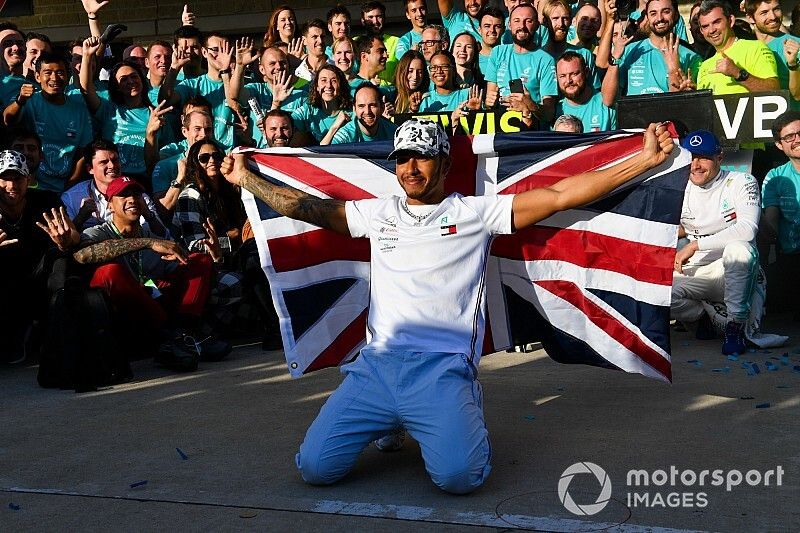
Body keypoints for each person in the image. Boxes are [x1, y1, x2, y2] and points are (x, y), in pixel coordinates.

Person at [218, 117, 674, 493]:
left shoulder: (476, 214)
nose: (410, 168)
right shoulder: (376, 214)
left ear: (444, 161)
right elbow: (306, 208)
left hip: (441, 370)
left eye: (421, 156)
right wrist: (246, 179)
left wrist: (644, 160)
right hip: (375, 367)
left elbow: (560, 195)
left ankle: (453, 407)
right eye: (401, 159)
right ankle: (390, 421)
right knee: (315, 470)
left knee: (460, 480)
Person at [73, 176, 231, 371]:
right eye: (123, 195)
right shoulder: (98, 232)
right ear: (110, 205)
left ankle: (184, 337)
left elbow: (181, 277)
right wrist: (147, 244)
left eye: (136, 194)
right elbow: (82, 256)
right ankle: (174, 340)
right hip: (124, 317)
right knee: (110, 272)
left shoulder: (153, 234)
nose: (132, 199)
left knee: (199, 260)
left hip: (158, 309)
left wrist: (214, 258)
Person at [672, 129, 760, 355]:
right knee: (657, 292)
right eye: (691, 157)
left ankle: (735, 327)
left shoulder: (742, 181)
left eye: (703, 157)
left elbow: (748, 229)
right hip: (698, 270)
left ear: (719, 158)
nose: (696, 165)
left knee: (740, 249)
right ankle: (704, 319)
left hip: (734, 270)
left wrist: (694, 245)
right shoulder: (678, 187)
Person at [0, 150, 75, 362]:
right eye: (4, 178)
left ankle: (55, 339)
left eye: (17, 178)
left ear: (29, 179)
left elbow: (74, 236)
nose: (11, 186)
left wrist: (66, 240)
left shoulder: (45, 201)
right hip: (6, 278)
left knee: (61, 258)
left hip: (40, 274)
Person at [173, 139, 246, 330]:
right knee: (235, 283)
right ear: (195, 164)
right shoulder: (189, 196)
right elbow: (193, 246)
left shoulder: (229, 190)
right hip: (198, 269)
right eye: (204, 158)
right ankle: (202, 334)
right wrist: (230, 238)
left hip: (229, 261)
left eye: (216, 156)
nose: (212, 160)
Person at [3, 51, 93, 193]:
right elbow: (8, 120)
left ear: (68, 76)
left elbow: (82, 154)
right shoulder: (28, 100)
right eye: (48, 72)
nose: (54, 78)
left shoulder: (80, 110)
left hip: (64, 189)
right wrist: (19, 101)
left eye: (60, 72)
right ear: (38, 76)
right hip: (29, 187)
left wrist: (70, 186)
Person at [79, 36, 153, 182]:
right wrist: (87, 56)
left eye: (134, 76)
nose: (131, 81)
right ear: (116, 87)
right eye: (124, 79)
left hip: (145, 180)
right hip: (114, 178)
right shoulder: (109, 109)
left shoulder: (154, 113)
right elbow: (86, 89)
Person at [597, 0, 701, 95]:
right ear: (647, 17)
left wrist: (674, 71)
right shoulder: (630, 50)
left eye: (666, 11)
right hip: (634, 115)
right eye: (653, 13)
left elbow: (680, 104)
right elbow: (607, 99)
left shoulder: (692, 57)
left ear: (676, 15)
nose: (659, 18)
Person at [62, 139, 167, 233]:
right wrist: (81, 218)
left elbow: (163, 235)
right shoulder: (71, 197)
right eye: (104, 162)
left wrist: (148, 215)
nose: (112, 166)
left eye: (115, 160)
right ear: (90, 169)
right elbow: (66, 242)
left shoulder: (137, 194)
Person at [485, 3, 558, 126]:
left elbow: (549, 113)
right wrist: (488, 102)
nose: (521, 26)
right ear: (509, 25)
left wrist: (530, 104)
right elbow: (489, 99)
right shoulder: (497, 53)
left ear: (536, 25)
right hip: (500, 128)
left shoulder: (546, 60)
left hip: (529, 131)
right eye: (516, 21)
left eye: (528, 21)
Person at [696, 0, 779, 94]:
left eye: (716, 22)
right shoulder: (704, 65)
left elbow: (775, 91)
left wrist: (738, 73)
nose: (711, 30)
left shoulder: (755, 48)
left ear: (731, 21)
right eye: (705, 26)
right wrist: (690, 94)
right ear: (702, 31)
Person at [761, 111, 800, 310]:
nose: (797, 140)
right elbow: (771, 224)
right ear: (779, 145)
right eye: (789, 137)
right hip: (792, 258)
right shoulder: (775, 176)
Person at [743, 0, 800, 102]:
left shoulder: (795, 45)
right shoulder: (747, 49)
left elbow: (798, 95)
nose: (773, 17)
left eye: (776, 9)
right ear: (750, 18)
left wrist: (792, 65)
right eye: (764, 13)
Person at [554, 51, 617, 132]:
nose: (568, 80)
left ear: (586, 72)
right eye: (562, 76)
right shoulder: (555, 111)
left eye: (574, 74)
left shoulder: (605, 104)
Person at [292, 64, 353, 144]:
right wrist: (277, 103)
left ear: (341, 86)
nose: (328, 85)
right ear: (317, 86)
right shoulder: (308, 110)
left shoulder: (350, 114)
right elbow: (284, 124)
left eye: (334, 81)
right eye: (324, 80)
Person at [325, 84, 397, 144]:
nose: (367, 112)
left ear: (382, 108)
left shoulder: (394, 132)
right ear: (354, 109)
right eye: (361, 106)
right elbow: (323, 156)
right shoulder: (346, 135)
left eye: (372, 105)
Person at [418, 50, 482, 114]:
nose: (439, 71)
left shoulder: (467, 95)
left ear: (453, 70)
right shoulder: (425, 99)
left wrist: (476, 111)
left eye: (444, 67)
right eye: (434, 67)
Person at [359, 1, 400, 83]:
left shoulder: (397, 42)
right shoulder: (355, 42)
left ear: (384, 18)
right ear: (362, 21)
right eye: (370, 17)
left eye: (379, 16)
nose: (375, 21)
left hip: (390, 93)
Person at [477, 7, 506, 74]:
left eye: (497, 26)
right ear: (479, 30)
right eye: (487, 26)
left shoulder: (510, 57)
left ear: (503, 30)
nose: (492, 30)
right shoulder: (472, 59)